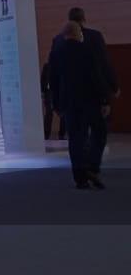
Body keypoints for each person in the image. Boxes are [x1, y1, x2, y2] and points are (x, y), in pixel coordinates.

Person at [48, 21, 111, 189]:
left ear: (65, 35)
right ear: (78, 34)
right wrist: (104, 100)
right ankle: (92, 166)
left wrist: (56, 104)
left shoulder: (57, 53)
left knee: (75, 139)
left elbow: (53, 80)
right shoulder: (88, 50)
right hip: (90, 101)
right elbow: (97, 77)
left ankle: (80, 178)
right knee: (99, 132)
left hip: (69, 103)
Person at [40, 62, 65, 140]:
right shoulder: (47, 66)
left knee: (63, 113)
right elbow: (42, 80)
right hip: (49, 93)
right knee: (49, 114)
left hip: (60, 93)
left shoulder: (62, 65)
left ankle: (61, 134)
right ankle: (46, 135)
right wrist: (44, 91)